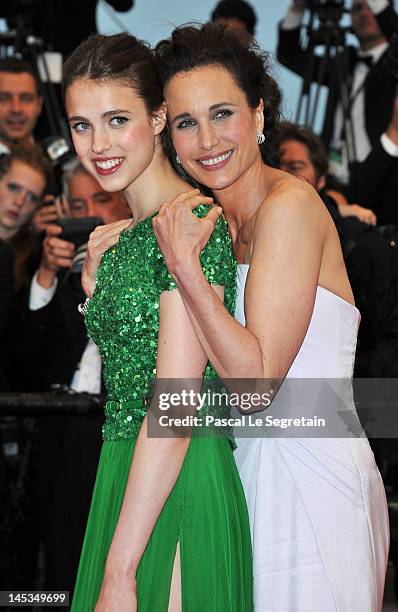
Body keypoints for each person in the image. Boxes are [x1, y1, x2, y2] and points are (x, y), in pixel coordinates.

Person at [154, 23, 390, 610]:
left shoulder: (290, 206)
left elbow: (256, 387)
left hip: (310, 482)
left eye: (222, 113)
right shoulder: (211, 224)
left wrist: (184, 269)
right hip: (238, 474)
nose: (207, 139)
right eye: (186, 122)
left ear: (259, 115)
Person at [63, 32, 252, 611]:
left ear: (158, 116)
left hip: (180, 479)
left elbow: (175, 404)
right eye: (82, 125)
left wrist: (120, 571)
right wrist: (94, 291)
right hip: (126, 475)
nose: (99, 145)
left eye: (117, 120)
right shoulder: (127, 238)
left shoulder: (190, 222)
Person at [277, 0, 398, 224]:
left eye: (371, 6)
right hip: (333, 180)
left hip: (383, 177)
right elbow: (289, 55)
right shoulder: (345, 61)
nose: (365, 13)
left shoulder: (392, 66)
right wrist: (297, 9)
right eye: (357, 8)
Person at [0, 58, 43, 154]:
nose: (16, 109)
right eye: (4, 98)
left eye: (26, 99)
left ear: (39, 105)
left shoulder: (57, 163)